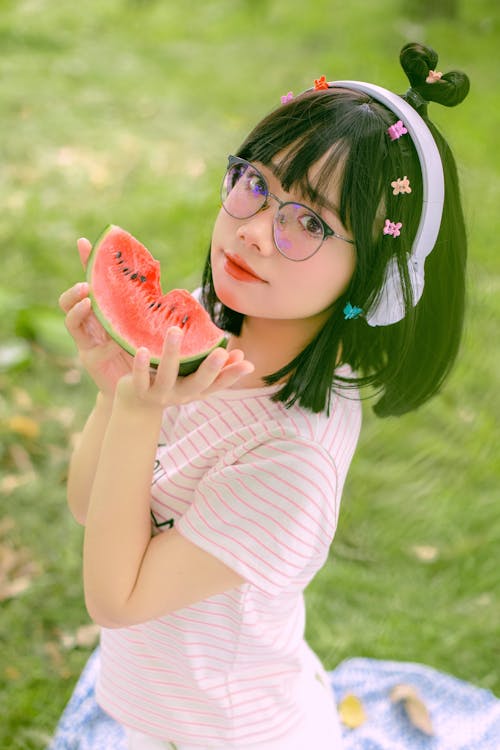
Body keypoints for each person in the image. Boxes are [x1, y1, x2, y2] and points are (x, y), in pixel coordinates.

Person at [58, 42, 469, 750]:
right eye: (254, 182)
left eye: (309, 222)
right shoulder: (200, 325)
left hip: (233, 733)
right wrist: (113, 392)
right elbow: (90, 507)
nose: (254, 232)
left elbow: (115, 599)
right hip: (155, 716)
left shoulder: (291, 456)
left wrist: (137, 410)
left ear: (373, 277)